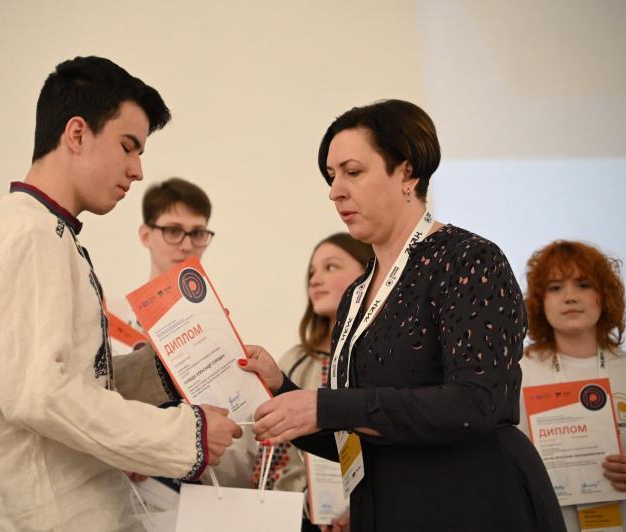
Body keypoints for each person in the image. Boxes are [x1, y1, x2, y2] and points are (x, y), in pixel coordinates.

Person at [238, 99, 565, 531]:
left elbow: (474, 403)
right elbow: (353, 436)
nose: (335, 191)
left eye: (353, 172)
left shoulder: (468, 260)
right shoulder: (356, 294)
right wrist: (280, 387)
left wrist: (325, 405)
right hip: (389, 506)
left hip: (472, 502)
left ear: (407, 172)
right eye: (331, 176)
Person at [0, 56, 241, 532]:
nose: (137, 170)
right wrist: (187, 436)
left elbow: (71, 381)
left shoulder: (46, 230)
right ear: (76, 134)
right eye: (128, 146)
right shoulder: (32, 233)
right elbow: (38, 395)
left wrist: (161, 368)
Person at [246, 233, 372, 531]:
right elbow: (267, 452)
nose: (315, 280)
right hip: (285, 519)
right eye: (312, 272)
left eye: (331, 267)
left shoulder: (380, 360)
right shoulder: (294, 361)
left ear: (369, 273)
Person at [519, 240, 626, 531]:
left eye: (583, 285)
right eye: (555, 287)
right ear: (540, 301)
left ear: (604, 295)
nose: (570, 297)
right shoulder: (517, 373)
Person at [108, 177, 214, 335]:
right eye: (173, 231)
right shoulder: (110, 320)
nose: (187, 246)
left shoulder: (215, 326)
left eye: (197, 233)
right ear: (146, 236)